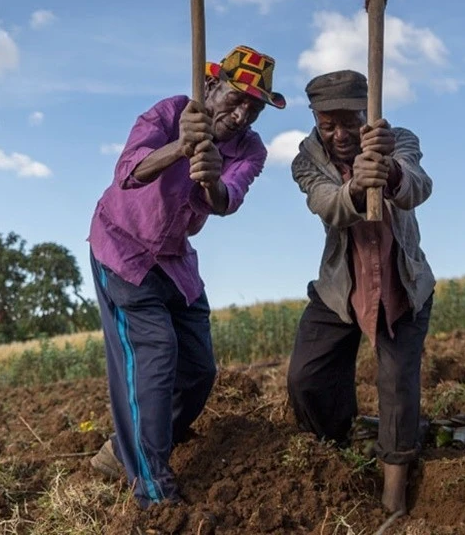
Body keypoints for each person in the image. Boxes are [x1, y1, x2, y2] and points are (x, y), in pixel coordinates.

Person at [86, 45, 285, 508]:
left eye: (253, 109)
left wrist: (212, 177)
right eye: (235, 99)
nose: (241, 115)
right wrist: (180, 146)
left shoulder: (250, 150)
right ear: (211, 86)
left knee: (198, 370)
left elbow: (227, 200)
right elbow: (127, 175)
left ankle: (125, 449)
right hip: (123, 248)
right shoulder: (169, 113)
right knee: (156, 354)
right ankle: (152, 489)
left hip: (175, 260)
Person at [285, 69, 436, 517]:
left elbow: (419, 186)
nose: (339, 134)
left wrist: (388, 170)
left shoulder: (397, 139)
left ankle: (394, 490)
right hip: (340, 290)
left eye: (349, 122)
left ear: (367, 111)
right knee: (305, 377)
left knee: (396, 384)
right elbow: (326, 204)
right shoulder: (306, 158)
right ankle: (338, 443)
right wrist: (353, 188)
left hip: (401, 285)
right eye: (327, 124)